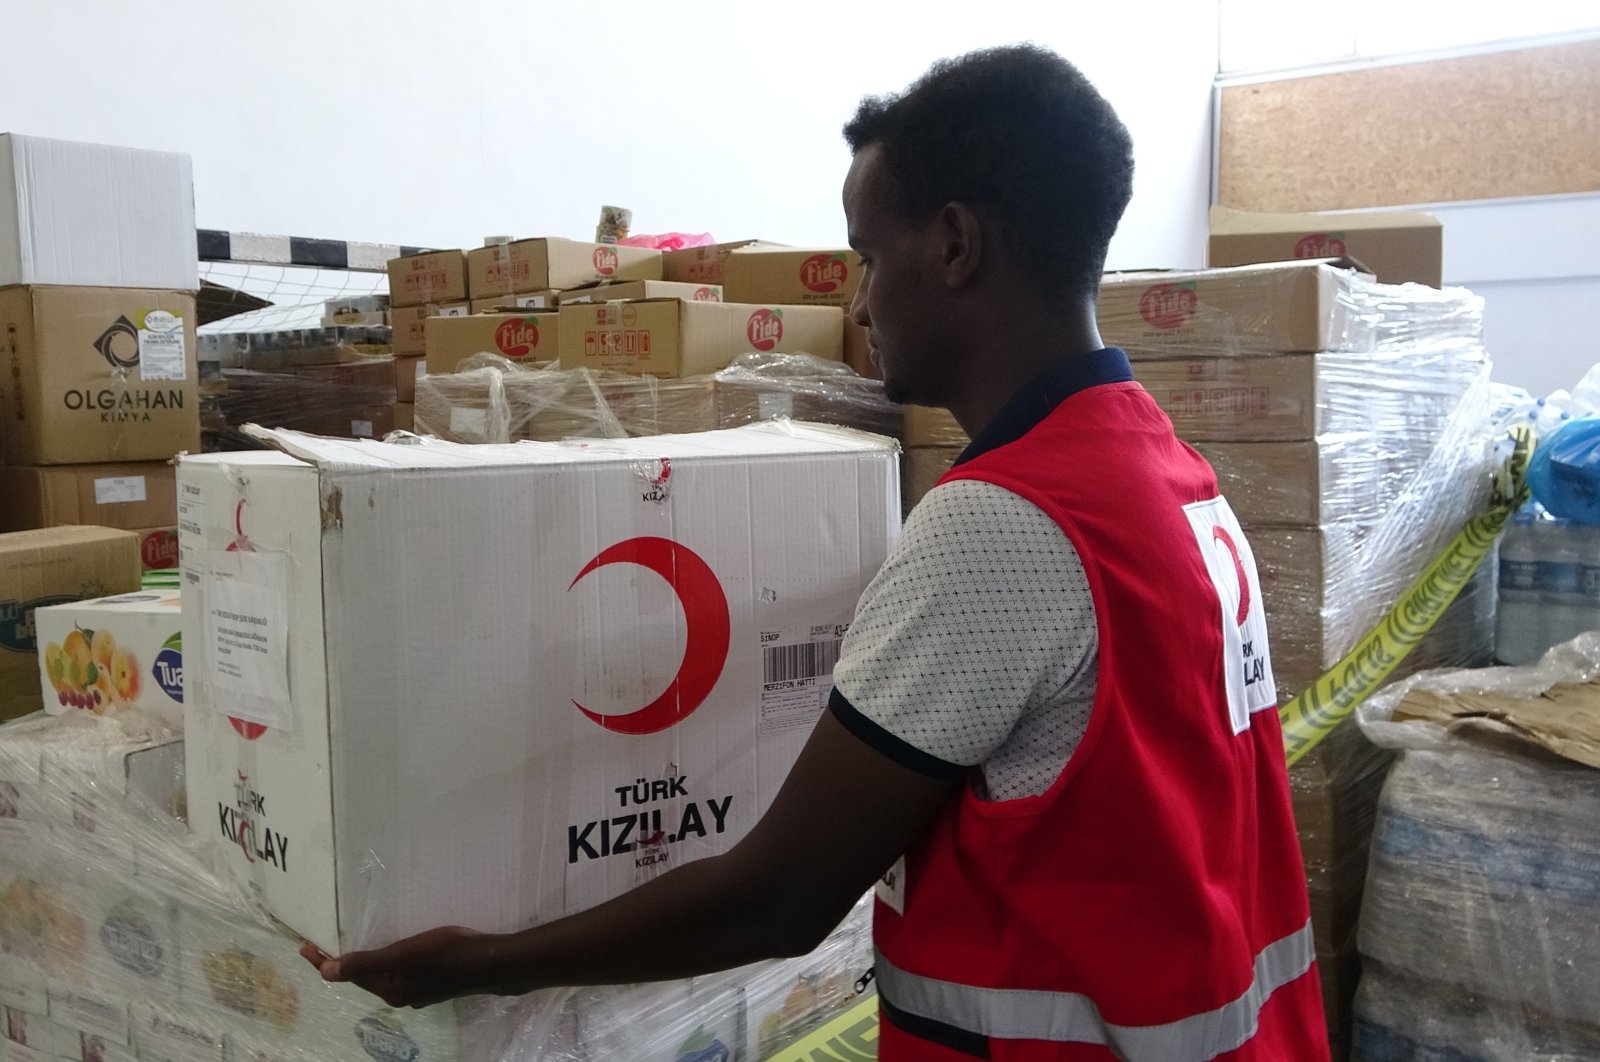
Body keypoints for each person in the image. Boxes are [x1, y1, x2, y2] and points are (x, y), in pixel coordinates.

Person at [303, 44, 1331, 1061]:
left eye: (868, 258)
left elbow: (780, 899)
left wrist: (478, 964)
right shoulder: (1164, 472)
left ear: (955, 245)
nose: (857, 305)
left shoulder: (1010, 522)